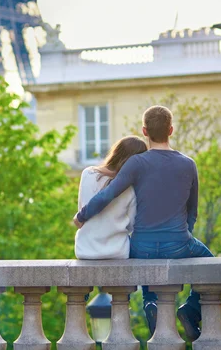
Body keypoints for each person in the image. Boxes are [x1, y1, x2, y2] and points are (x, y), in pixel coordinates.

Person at [73, 105, 213, 342]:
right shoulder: (189, 164)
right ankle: (190, 310)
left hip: (141, 246)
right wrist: (183, 236)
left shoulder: (137, 164)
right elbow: (193, 211)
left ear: (144, 131)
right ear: (171, 129)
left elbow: (109, 194)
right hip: (178, 242)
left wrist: (82, 216)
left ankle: (150, 302)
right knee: (210, 264)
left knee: (148, 254)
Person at [75, 136, 147, 260]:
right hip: (117, 251)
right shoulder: (130, 189)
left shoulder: (88, 173)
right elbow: (131, 225)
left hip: (85, 250)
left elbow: (82, 206)